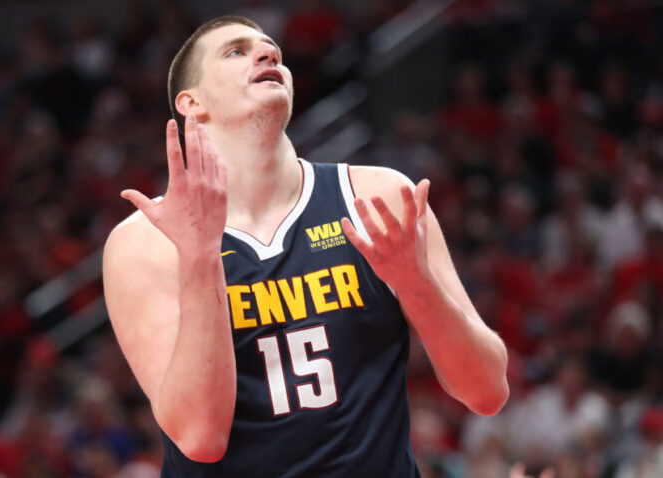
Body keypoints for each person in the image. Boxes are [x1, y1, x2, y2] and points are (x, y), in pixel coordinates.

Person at [102, 15, 509, 477]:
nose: (267, 54)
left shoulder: (377, 198)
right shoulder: (145, 241)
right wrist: (199, 258)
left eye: (271, 48)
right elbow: (200, 437)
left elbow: (487, 391)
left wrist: (415, 283)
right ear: (192, 103)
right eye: (235, 51)